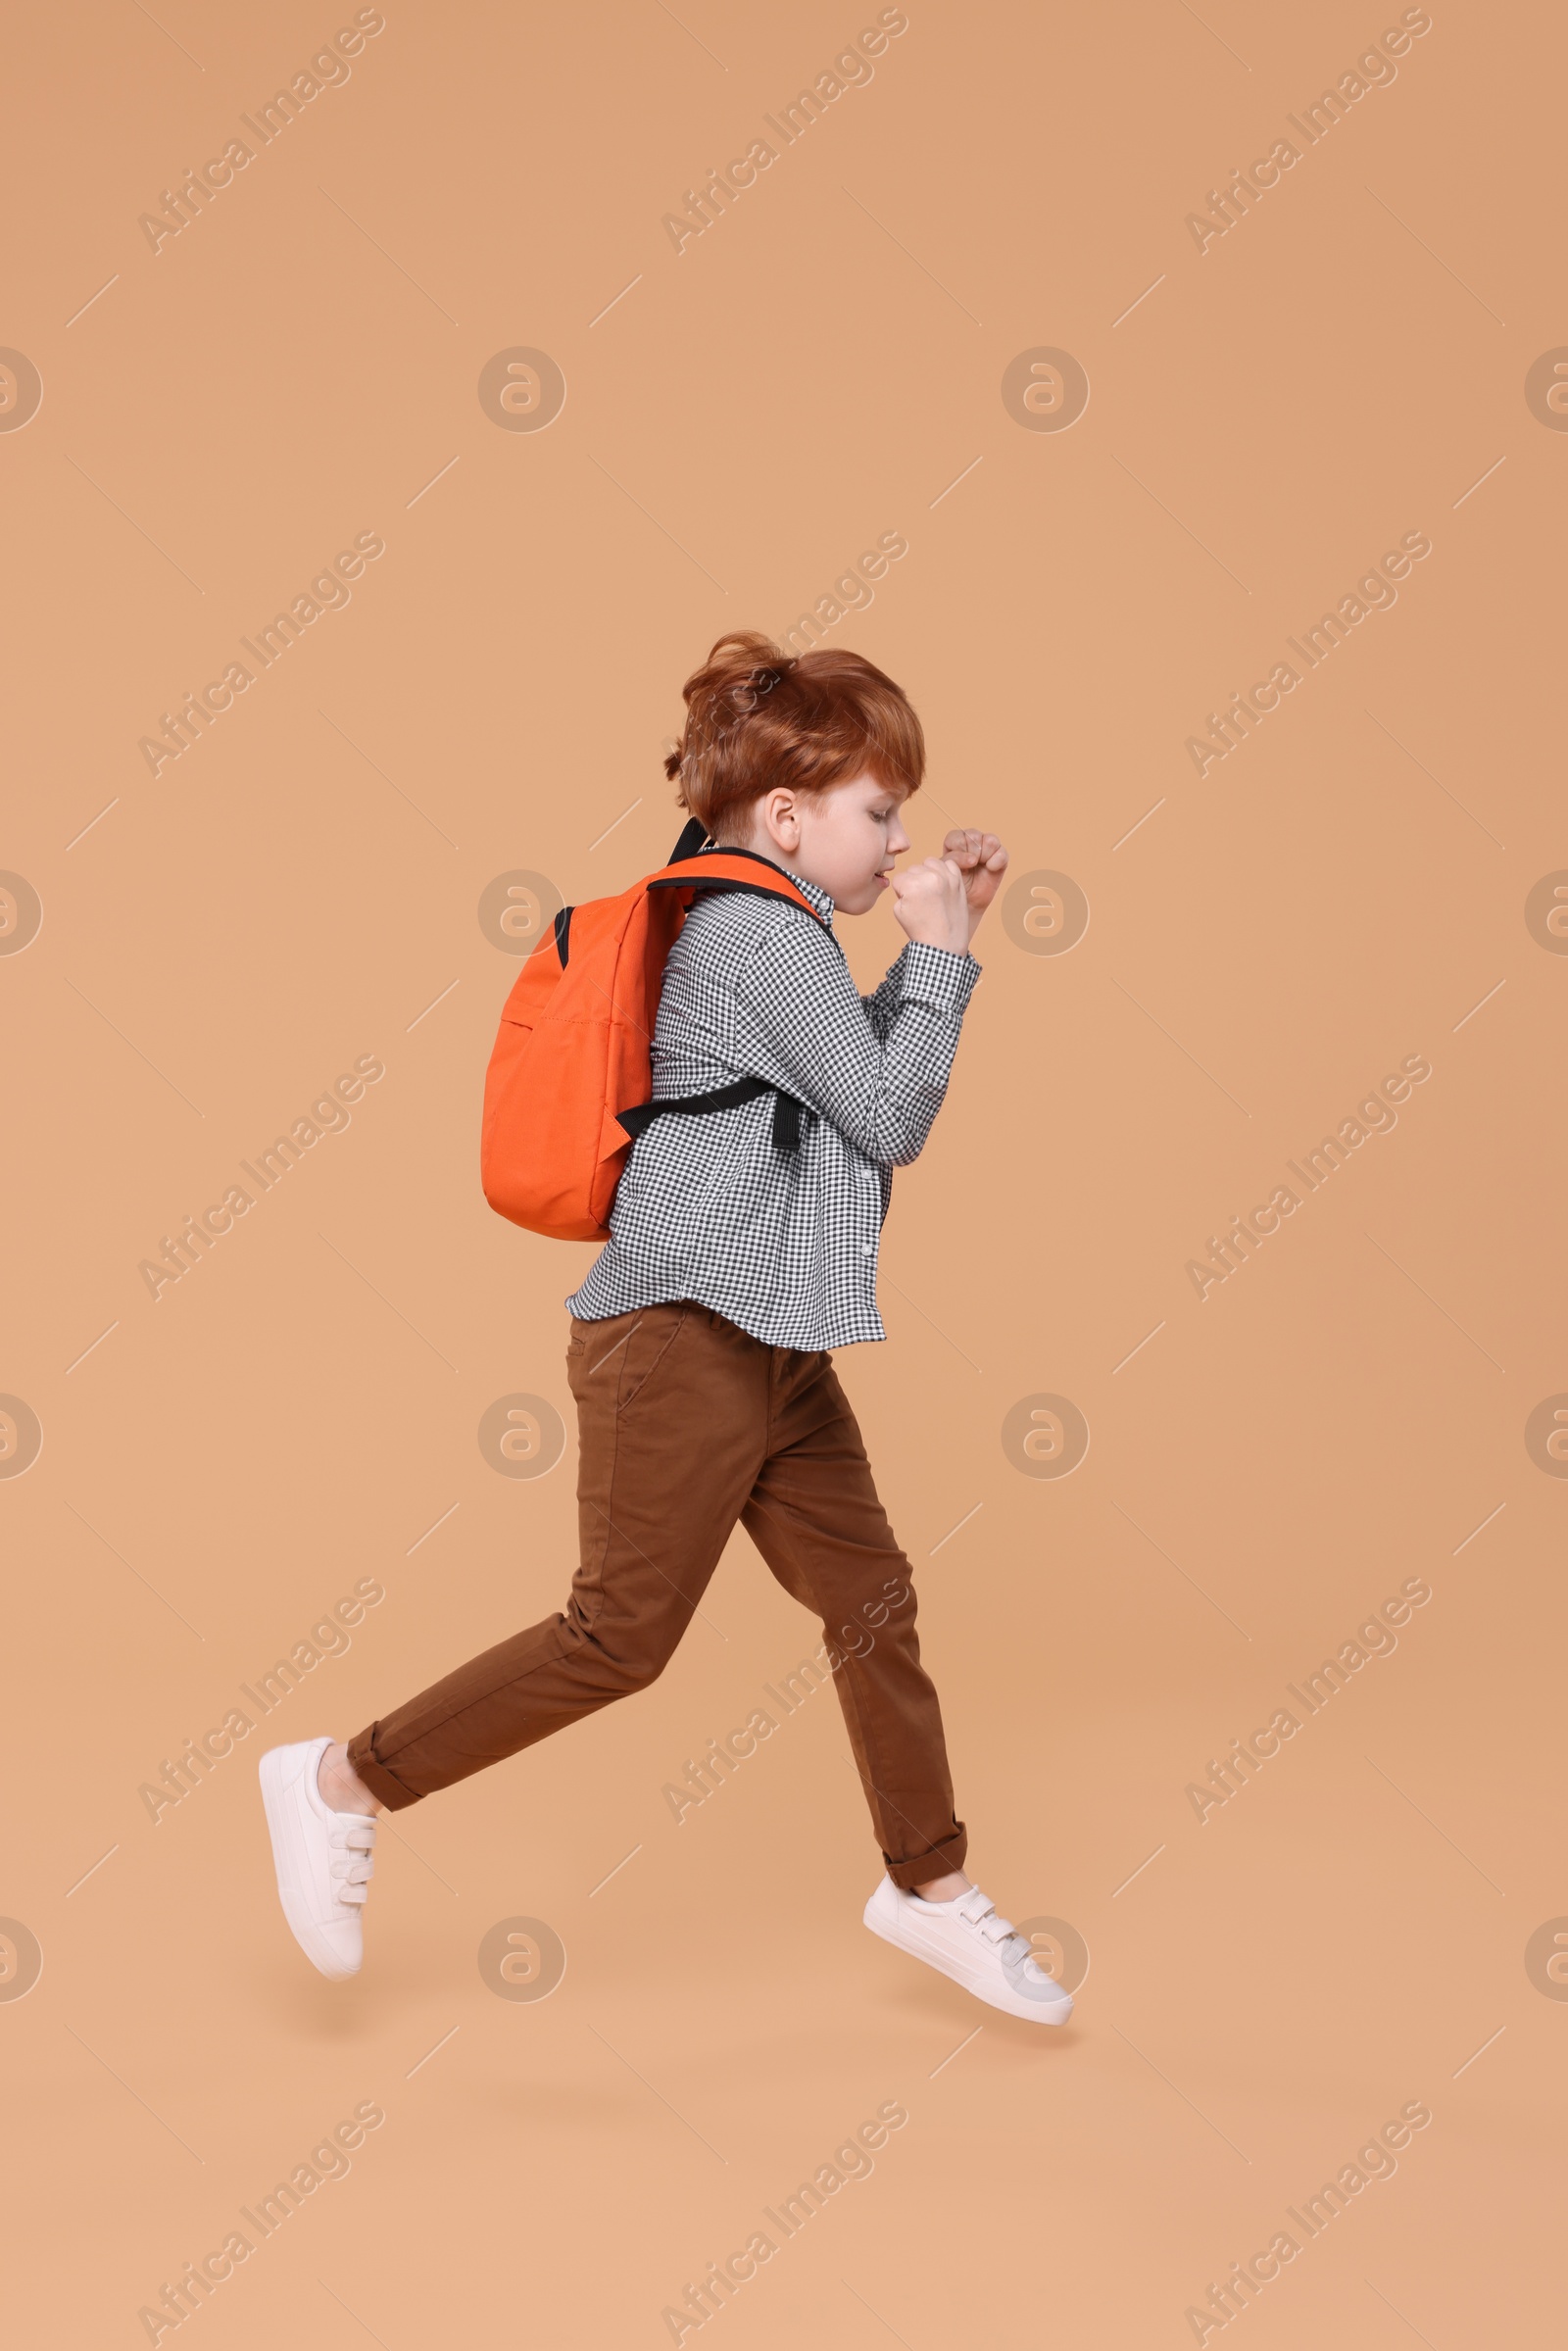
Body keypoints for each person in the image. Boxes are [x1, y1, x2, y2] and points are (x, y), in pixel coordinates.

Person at [259, 631, 1071, 2026]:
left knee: (870, 1594)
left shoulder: (775, 928)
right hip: (681, 1338)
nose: (900, 839)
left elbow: (849, 1083)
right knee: (617, 1638)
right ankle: (339, 1777)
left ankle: (924, 1887)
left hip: (766, 1337)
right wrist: (939, 955)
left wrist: (949, 949)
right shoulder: (757, 928)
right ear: (787, 816)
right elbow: (889, 1115)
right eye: (881, 811)